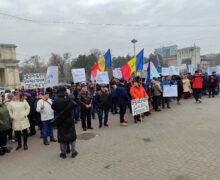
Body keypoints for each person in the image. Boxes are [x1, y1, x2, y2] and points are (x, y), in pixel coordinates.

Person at [52, 86, 78, 159]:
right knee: (72, 137)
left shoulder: (56, 100)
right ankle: (73, 152)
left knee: (62, 137)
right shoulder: (69, 99)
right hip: (69, 120)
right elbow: (75, 105)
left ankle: (63, 153)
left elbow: (53, 107)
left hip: (60, 121)